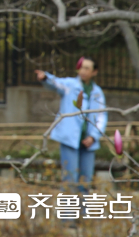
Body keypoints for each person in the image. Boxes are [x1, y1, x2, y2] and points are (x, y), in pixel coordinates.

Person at [35, 57, 107, 202]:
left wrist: (93, 136)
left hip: (89, 142)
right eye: (81, 67)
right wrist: (45, 78)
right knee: (70, 179)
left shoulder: (97, 92)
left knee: (85, 181)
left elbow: (101, 116)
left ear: (94, 72)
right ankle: (68, 219)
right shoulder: (70, 85)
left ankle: (82, 216)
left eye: (87, 68)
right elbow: (56, 83)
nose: (83, 71)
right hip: (70, 139)